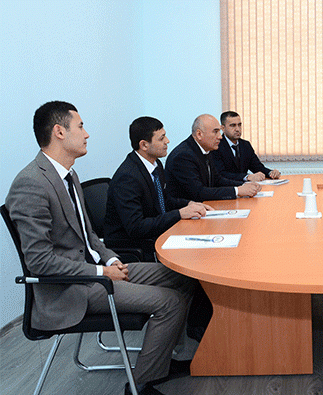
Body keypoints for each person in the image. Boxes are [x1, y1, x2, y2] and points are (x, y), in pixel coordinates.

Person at [6, 101, 196, 395]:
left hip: (99, 270)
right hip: (72, 289)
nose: (87, 134)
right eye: (80, 126)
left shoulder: (67, 175)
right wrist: (101, 271)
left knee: (184, 279)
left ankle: (160, 358)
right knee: (169, 302)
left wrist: (112, 258)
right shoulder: (31, 184)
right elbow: (40, 261)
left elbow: (90, 235)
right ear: (59, 131)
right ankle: (142, 384)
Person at [105, 116, 213, 261]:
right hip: (136, 248)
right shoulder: (128, 177)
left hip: (158, 234)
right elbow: (137, 227)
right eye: (161, 138)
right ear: (144, 145)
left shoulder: (155, 166)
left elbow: (164, 201)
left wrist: (189, 205)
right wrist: (179, 214)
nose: (167, 141)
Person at [166, 114, 261, 201]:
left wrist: (244, 185)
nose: (220, 137)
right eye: (215, 132)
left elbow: (217, 180)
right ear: (199, 134)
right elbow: (199, 192)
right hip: (185, 214)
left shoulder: (206, 150)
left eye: (219, 132)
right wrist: (237, 191)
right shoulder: (183, 156)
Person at [214, 111, 281, 182]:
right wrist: (247, 177)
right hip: (227, 189)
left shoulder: (245, 145)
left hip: (247, 188)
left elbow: (257, 167)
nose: (237, 129)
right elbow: (221, 174)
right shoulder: (216, 146)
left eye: (239, 125)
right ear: (223, 128)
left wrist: (271, 173)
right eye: (233, 125)